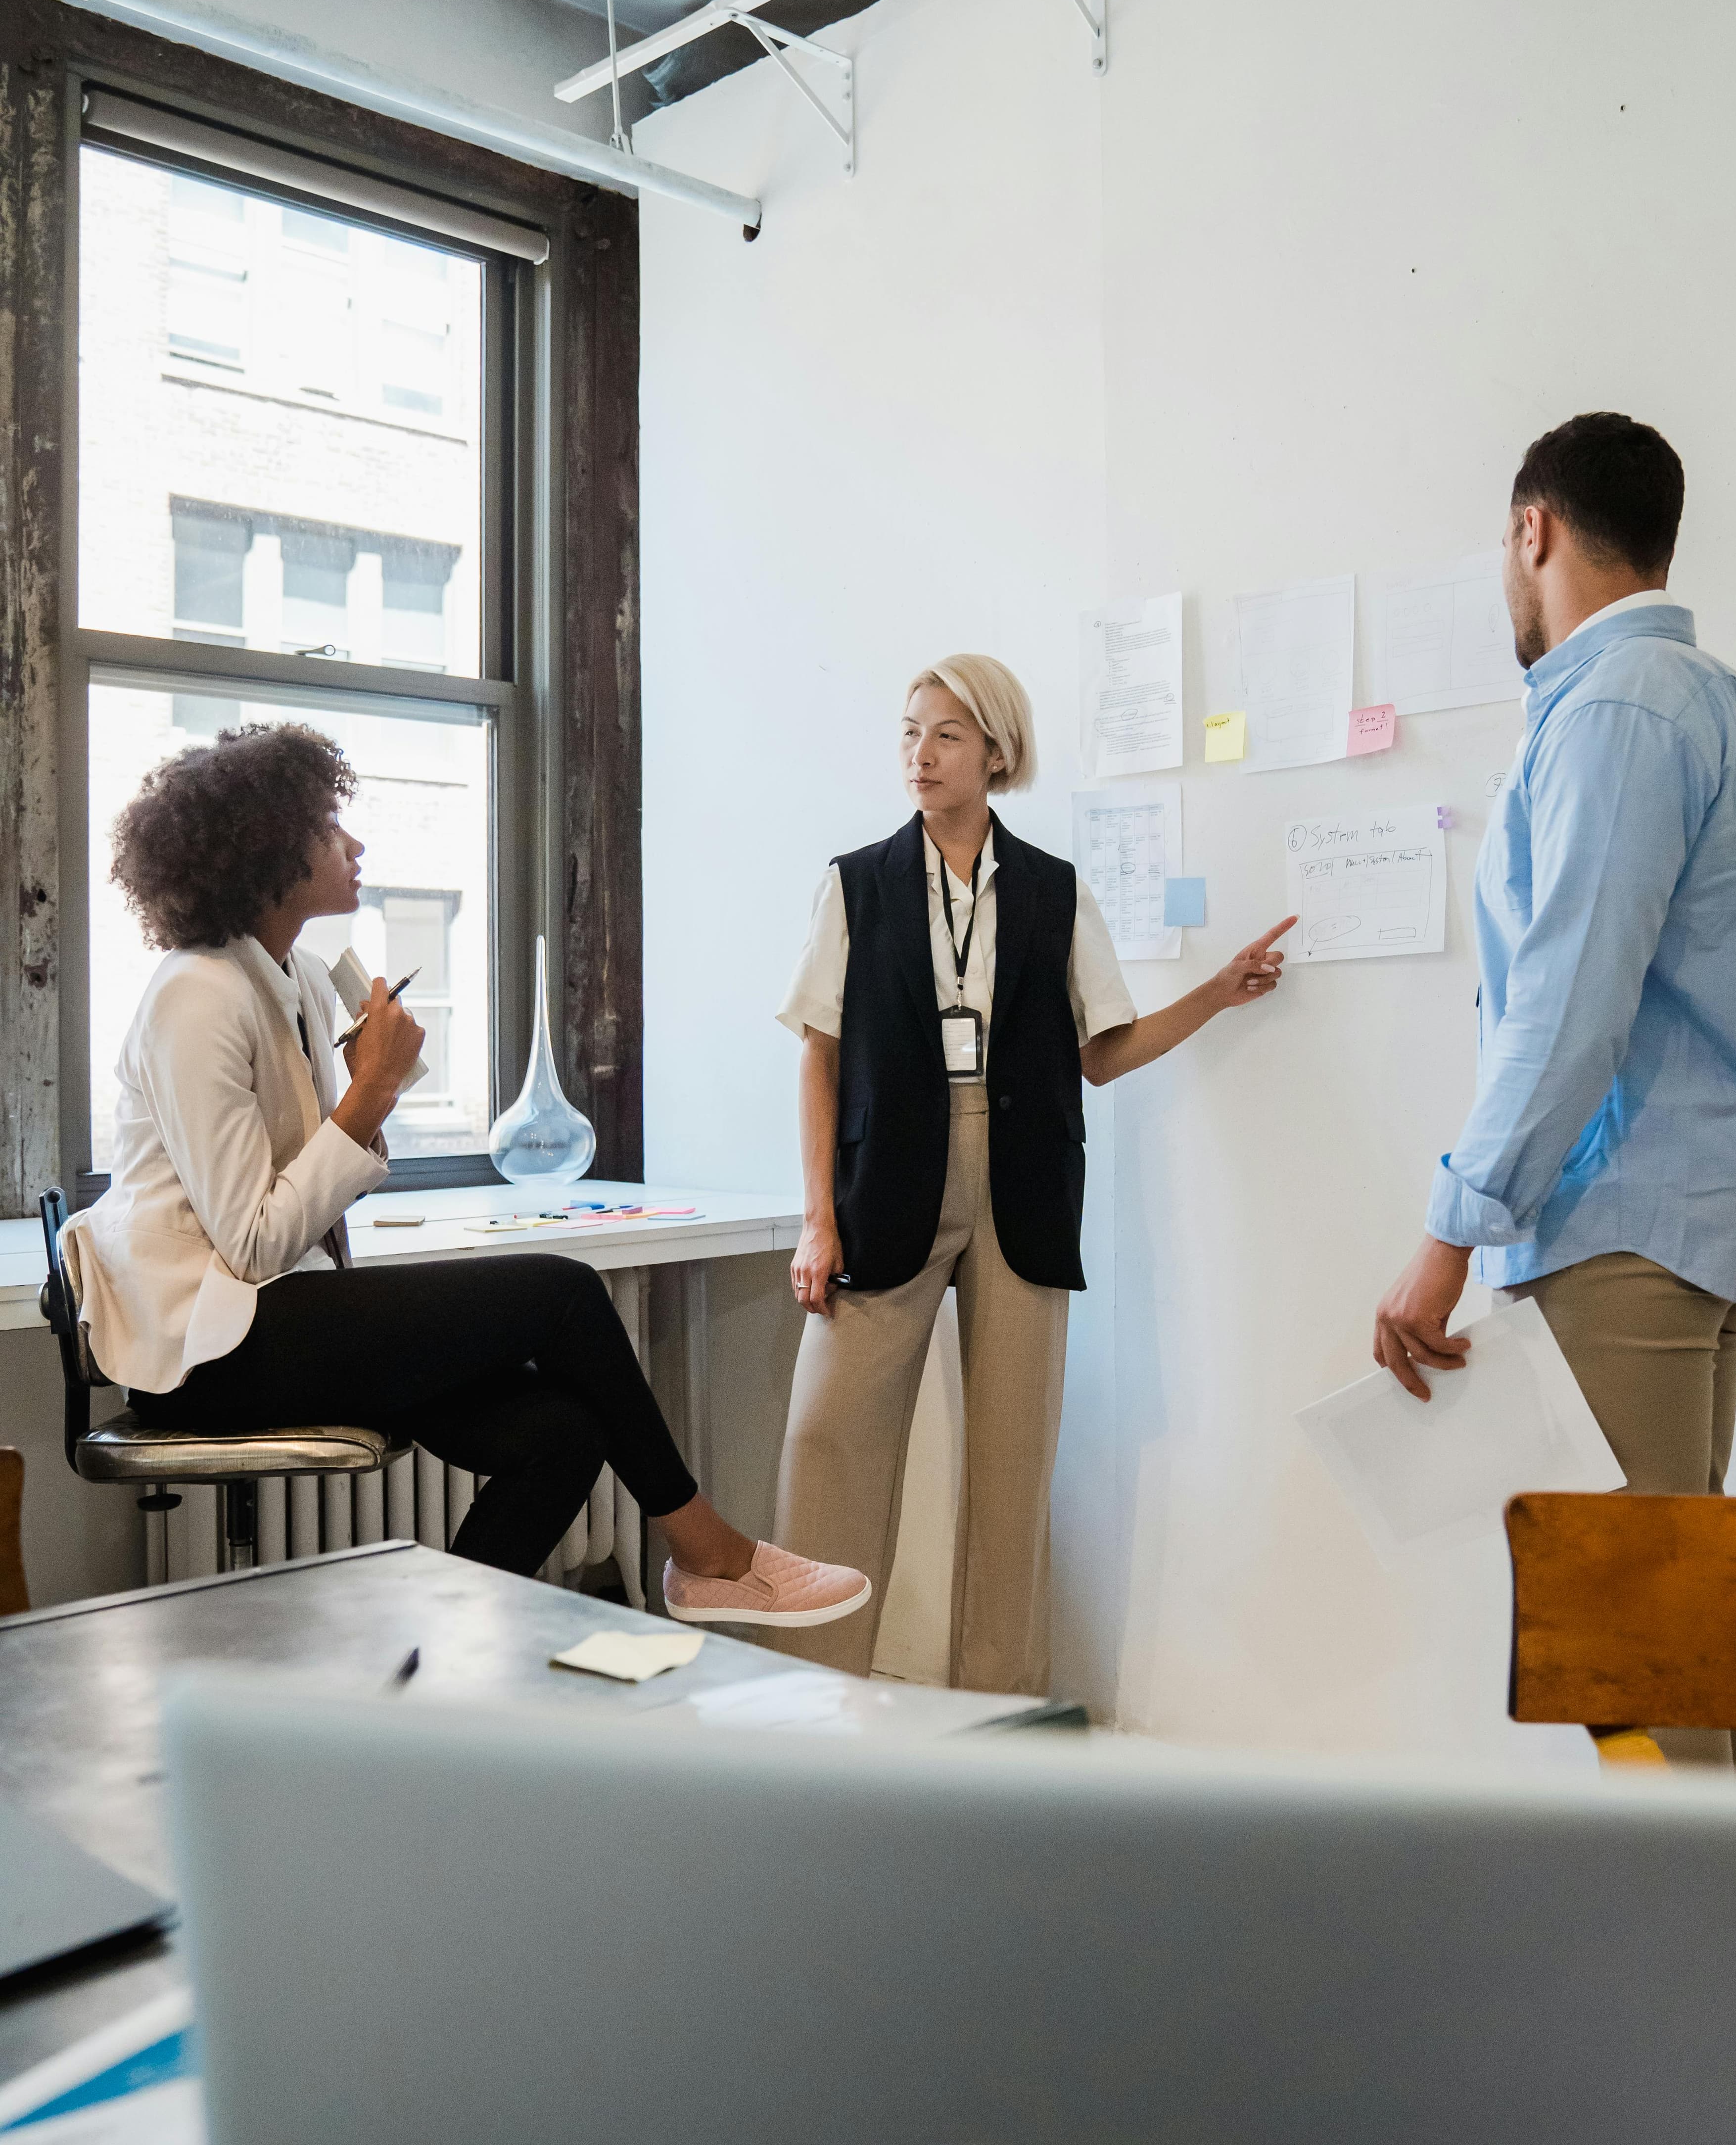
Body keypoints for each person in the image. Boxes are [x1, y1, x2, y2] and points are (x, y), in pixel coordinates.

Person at [66, 721, 870, 1629]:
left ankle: (437, 1680)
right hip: (208, 1351)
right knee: (563, 1295)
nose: (356, 845)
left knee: (563, 1436)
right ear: (269, 850)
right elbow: (251, 1244)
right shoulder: (198, 993)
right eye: (333, 828)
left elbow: (306, 1189)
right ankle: (710, 1551)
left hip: (274, 1315)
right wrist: (365, 1095)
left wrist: (366, 1092)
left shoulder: (289, 982)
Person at [1372, 413, 1736, 1768]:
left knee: (1635, 1653)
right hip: (1720, 1218)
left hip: (1623, 1224)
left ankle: (1697, 1975)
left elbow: (1568, 1004)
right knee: (1690, 1636)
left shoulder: (1613, 712)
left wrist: (1450, 1233)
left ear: (1536, 530)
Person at [775, 654, 1295, 1694]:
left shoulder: (1055, 891)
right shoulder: (857, 884)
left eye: (947, 736)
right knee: (828, 1447)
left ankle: (996, 1716)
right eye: (911, 732)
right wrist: (817, 1221)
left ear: (998, 754)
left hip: (1022, 1187)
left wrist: (1213, 995)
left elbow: (1099, 1052)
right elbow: (819, 1055)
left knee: (1013, 1475)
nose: (921, 754)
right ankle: (807, 1702)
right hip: (887, 1190)